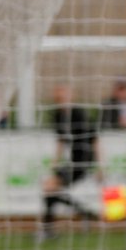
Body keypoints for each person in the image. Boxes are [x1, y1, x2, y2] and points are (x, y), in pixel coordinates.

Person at [39, 85, 99, 240]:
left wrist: (100, 166)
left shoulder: (79, 114)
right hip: (73, 160)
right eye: (58, 98)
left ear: (71, 97)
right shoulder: (58, 116)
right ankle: (84, 213)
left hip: (84, 161)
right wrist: (54, 163)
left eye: (64, 97)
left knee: (50, 189)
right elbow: (60, 141)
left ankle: (49, 230)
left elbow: (95, 140)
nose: (61, 101)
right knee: (49, 191)